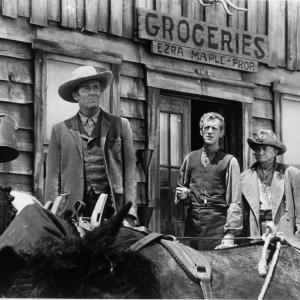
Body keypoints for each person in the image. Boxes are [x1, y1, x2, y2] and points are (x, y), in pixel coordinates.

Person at [45, 66, 137, 226]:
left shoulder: (121, 125)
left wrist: (129, 214)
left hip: (112, 208)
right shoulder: (60, 130)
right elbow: (53, 177)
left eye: (96, 87)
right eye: (86, 89)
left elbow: (130, 174)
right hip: (72, 210)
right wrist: (52, 214)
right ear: (76, 95)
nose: (93, 92)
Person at [175, 112, 243, 250]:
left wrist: (230, 235)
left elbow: (235, 202)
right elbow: (181, 194)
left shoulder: (230, 161)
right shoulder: (190, 158)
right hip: (192, 230)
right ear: (201, 131)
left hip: (218, 230)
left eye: (214, 128)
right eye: (206, 128)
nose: (210, 132)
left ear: (221, 133)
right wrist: (183, 195)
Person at [241, 129, 300, 238]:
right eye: (258, 148)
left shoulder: (291, 174)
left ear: (275, 152)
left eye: (264, 148)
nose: (260, 152)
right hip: (256, 232)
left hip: (283, 233)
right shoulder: (244, 178)